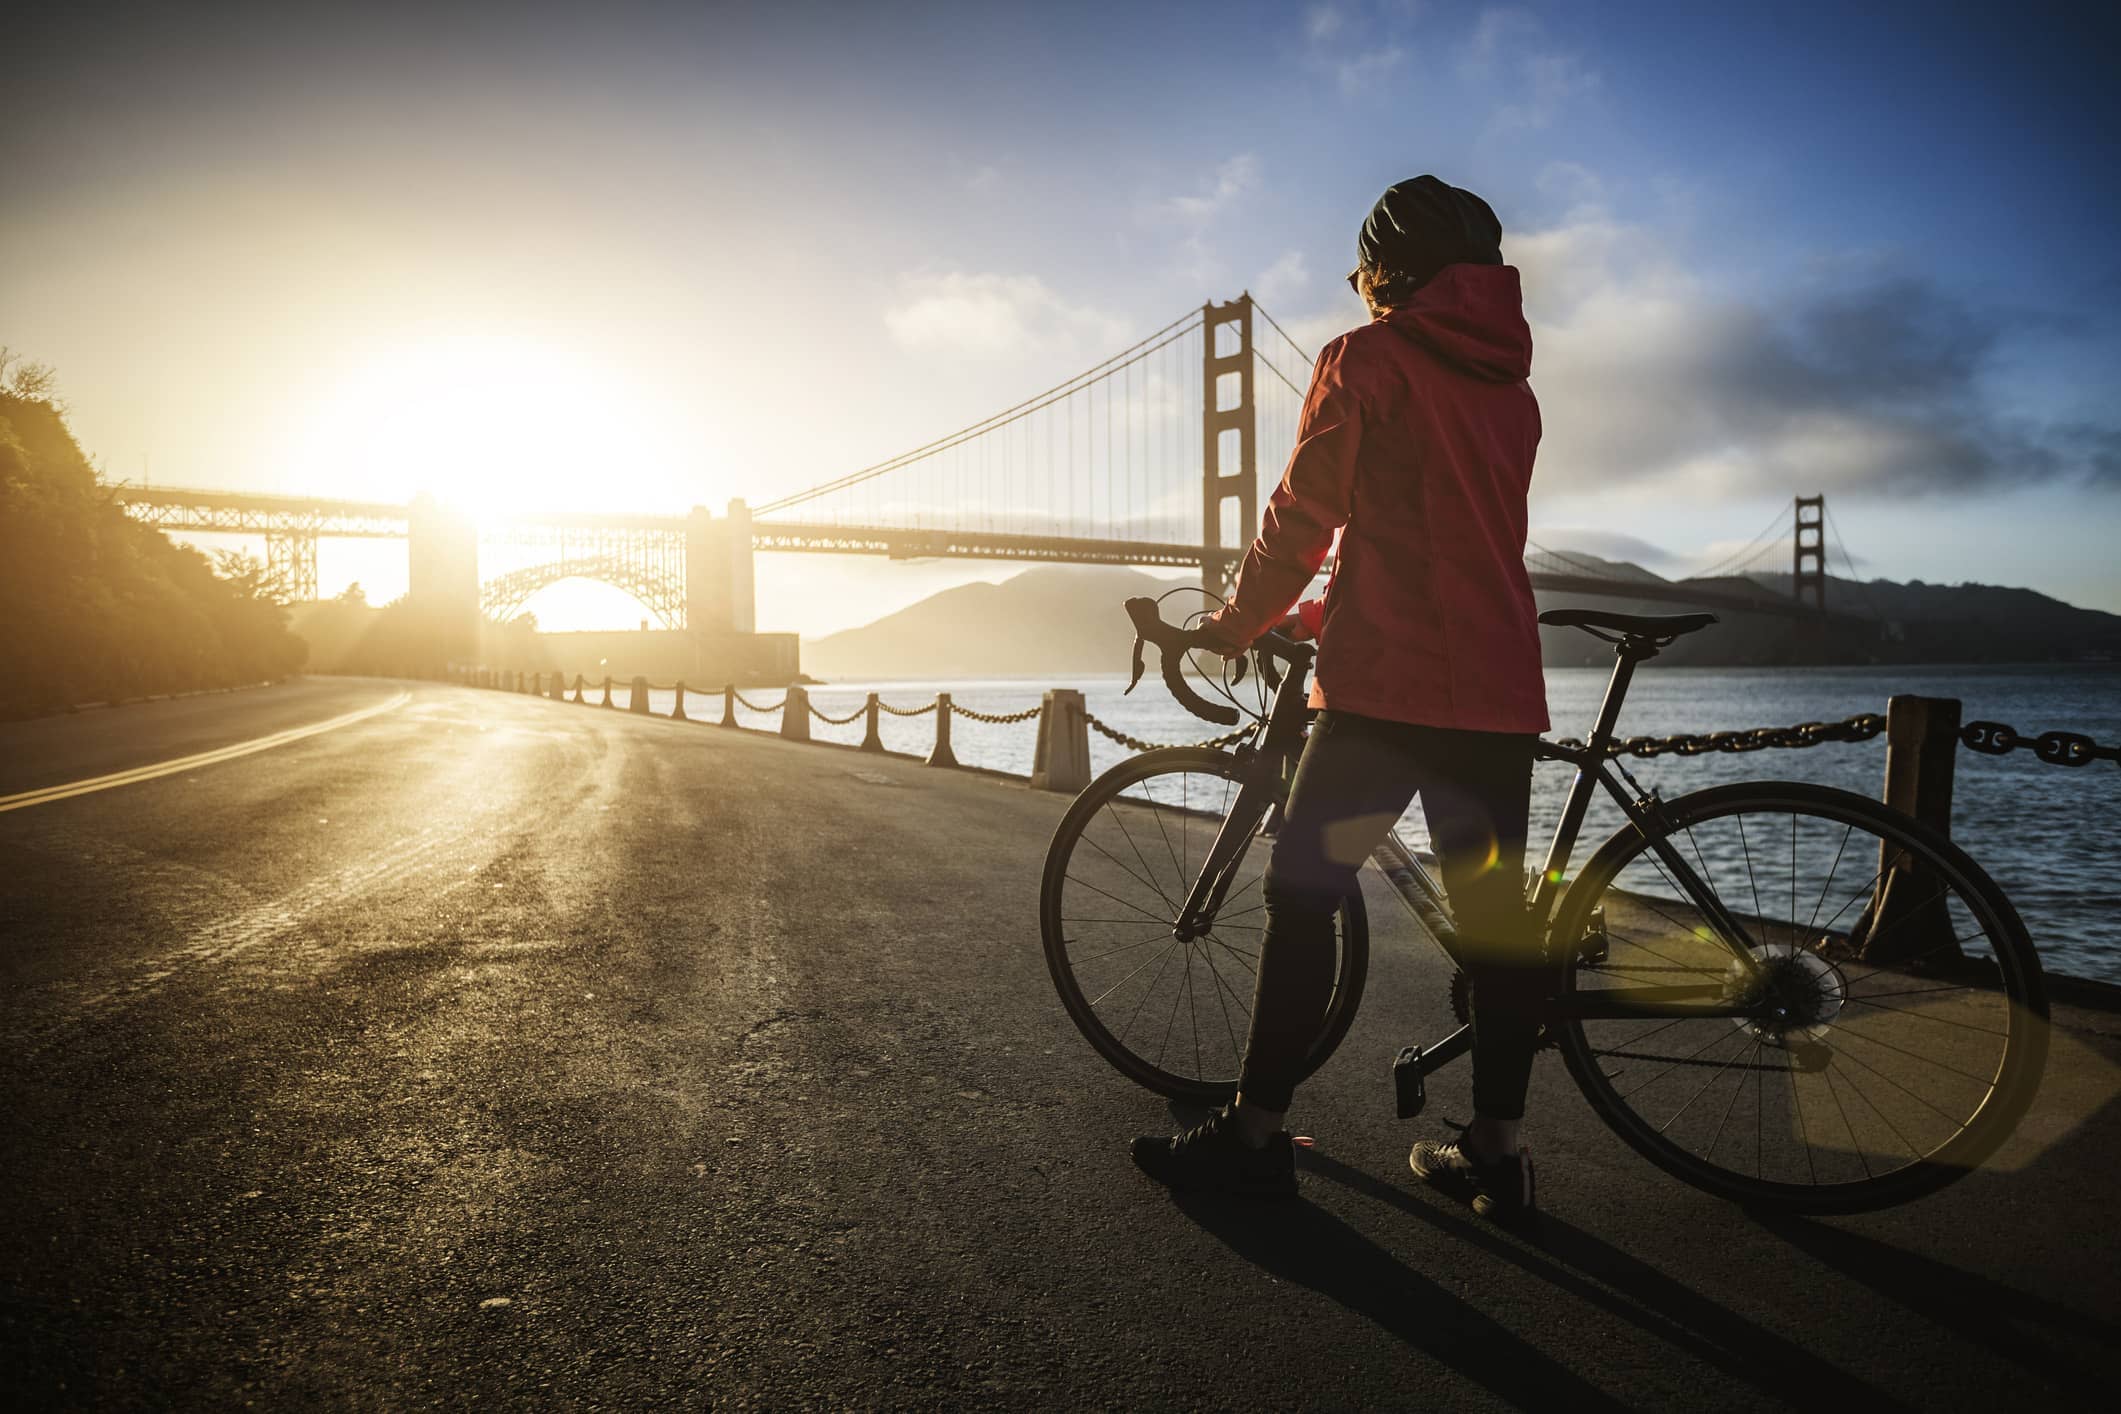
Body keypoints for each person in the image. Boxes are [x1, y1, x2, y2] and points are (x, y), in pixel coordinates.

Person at [1130, 175, 1549, 1221]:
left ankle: (1255, 1137)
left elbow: (1303, 516)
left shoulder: (1363, 360)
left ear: (1391, 271)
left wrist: (1235, 622)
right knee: (1497, 926)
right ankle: (1499, 1157)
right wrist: (1322, 616)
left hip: (1385, 704)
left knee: (1302, 895)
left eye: (1364, 271)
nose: (1360, 291)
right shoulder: (1515, 389)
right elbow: (1449, 547)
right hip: (1498, 693)